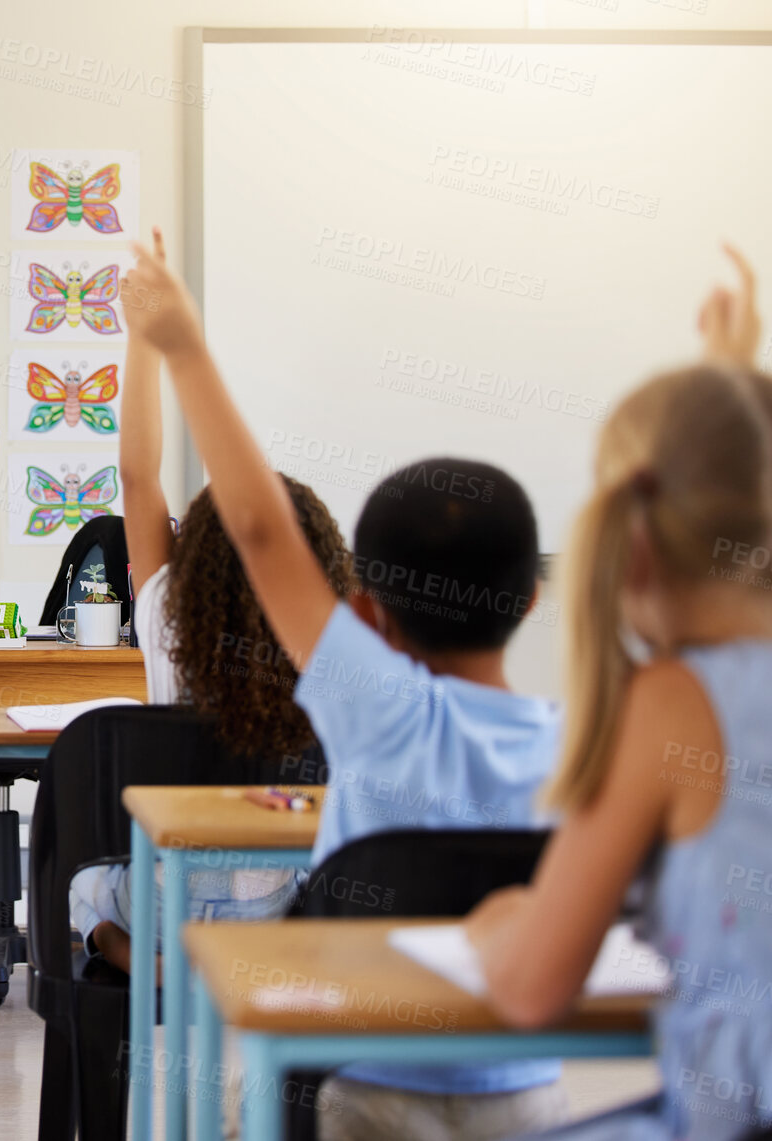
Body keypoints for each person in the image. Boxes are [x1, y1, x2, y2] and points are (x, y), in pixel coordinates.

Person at [123, 228, 566, 1140]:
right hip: (526, 1100)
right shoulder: (584, 750)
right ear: (530, 601)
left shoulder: (377, 710)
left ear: (366, 612)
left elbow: (254, 527)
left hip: (363, 1092)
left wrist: (179, 345)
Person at [466, 248, 772, 1141]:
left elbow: (530, 987)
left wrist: (503, 923)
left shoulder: (671, 705)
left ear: (628, 546)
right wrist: (732, 381)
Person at [68, 298, 355, 972]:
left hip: (162, 902)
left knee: (79, 889)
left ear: (195, 551)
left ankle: (135, 952)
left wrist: (143, 339)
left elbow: (137, 477)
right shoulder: (330, 646)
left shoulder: (169, 617)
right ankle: (234, 960)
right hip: (280, 910)